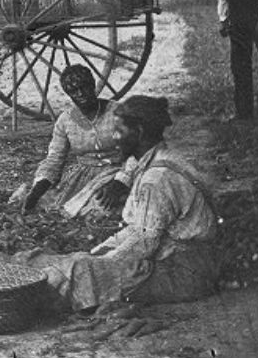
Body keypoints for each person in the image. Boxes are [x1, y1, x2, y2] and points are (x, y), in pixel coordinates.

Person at [17, 96, 219, 311]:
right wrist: (98, 252)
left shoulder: (156, 180)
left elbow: (144, 242)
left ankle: (31, 300)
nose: (114, 138)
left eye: (119, 131)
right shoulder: (157, 160)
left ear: (139, 132)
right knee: (80, 262)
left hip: (184, 273)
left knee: (81, 270)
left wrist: (102, 263)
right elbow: (138, 229)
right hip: (174, 258)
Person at [11, 65, 128, 216]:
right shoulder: (66, 120)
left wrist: (121, 181)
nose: (80, 94)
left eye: (84, 87)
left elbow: (138, 152)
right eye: (73, 91)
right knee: (52, 202)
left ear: (93, 85)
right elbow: (55, 158)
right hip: (85, 176)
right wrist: (37, 191)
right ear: (68, 94)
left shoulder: (118, 112)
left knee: (109, 206)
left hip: (119, 171)